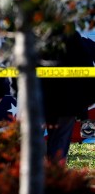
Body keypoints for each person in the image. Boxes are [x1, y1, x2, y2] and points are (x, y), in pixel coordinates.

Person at [38, 27, 94, 163]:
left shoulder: (32, 33)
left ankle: (37, 177)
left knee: (33, 143)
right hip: (65, 102)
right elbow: (86, 68)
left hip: (39, 99)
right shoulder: (72, 36)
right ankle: (55, 178)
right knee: (59, 147)